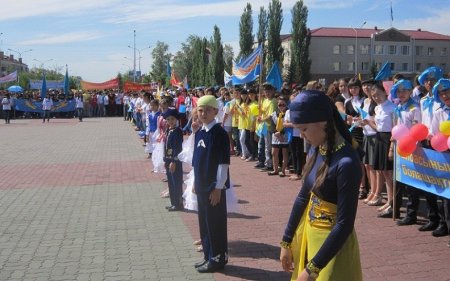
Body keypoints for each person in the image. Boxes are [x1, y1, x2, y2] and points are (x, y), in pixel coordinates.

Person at [280, 90, 362, 281]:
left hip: (333, 250)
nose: (302, 136)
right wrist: (286, 241)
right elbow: (303, 197)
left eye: (305, 129)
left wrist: (312, 269)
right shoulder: (317, 150)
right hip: (310, 239)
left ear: (324, 122)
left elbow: (344, 224)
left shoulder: (347, 163)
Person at [192, 95, 230, 273]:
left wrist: (218, 187)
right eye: (200, 110)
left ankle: (218, 257)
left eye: (207, 110)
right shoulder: (200, 132)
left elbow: (223, 164)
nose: (203, 113)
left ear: (215, 111)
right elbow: (196, 162)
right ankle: (208, 255)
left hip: (213, 187)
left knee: (215, 223)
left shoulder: (219, 134)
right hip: (201, 186)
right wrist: (194, 181)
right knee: (204, 223)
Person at [431, 78, 450, 246]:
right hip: (445, 157)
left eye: (447, 91)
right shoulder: (438, 112)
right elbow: (435, 135)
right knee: (447, 197)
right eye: (442, 93)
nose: (445, 95)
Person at [163, 108, 184, 212]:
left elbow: (177, 148)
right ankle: (173, 203)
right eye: (168, 119)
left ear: (176, 120)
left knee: (176, 182)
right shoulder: (169, 130)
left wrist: (174, 161)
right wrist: (166, 160)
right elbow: (168, 147)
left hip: (175, 162)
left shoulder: (178, 131)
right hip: (169, 160)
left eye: (172, 119)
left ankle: (179, 203)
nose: (170, 121)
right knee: (171, 183)